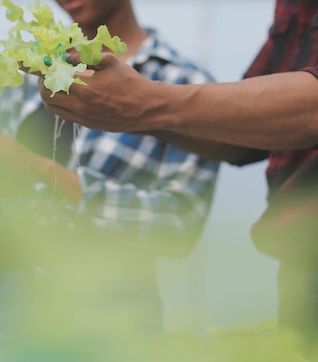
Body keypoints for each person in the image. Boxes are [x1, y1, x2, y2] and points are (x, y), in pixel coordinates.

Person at [0, 0, 220, 353]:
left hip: (114, 303)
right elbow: (10, 223)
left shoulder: (180, 83)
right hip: (10, 300)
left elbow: (177, 227)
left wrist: (41, 169)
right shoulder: (29, 78)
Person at [31, 0, 318, 353]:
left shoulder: (179, 78)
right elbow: (245, 136)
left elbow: (176, 224)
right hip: (299, 262)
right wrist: (136, 112)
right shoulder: (295, 8)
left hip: (118, 295)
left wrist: (148, 104)